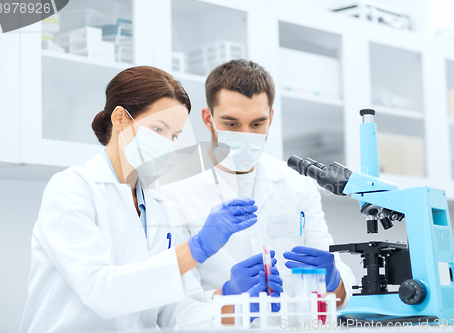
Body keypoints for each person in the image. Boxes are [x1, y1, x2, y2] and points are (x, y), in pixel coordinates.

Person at [19, 66, 282, 333]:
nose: (167, 144)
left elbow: (175, 313)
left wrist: (234, 301)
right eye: (158, 129)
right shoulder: (73, 189)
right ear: (120, 118)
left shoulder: (160, 202)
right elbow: (101, 292)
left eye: (175, 136)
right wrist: (196, 248)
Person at [160, 60, 356, 308]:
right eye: (231, 124)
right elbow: (176, 307)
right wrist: (227, 296)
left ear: (271, 118)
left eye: (257, 124)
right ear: (207, 119)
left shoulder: (296, 184)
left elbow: (340, 295)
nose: (245, 135)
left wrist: (333, 281)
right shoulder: (176, 188)